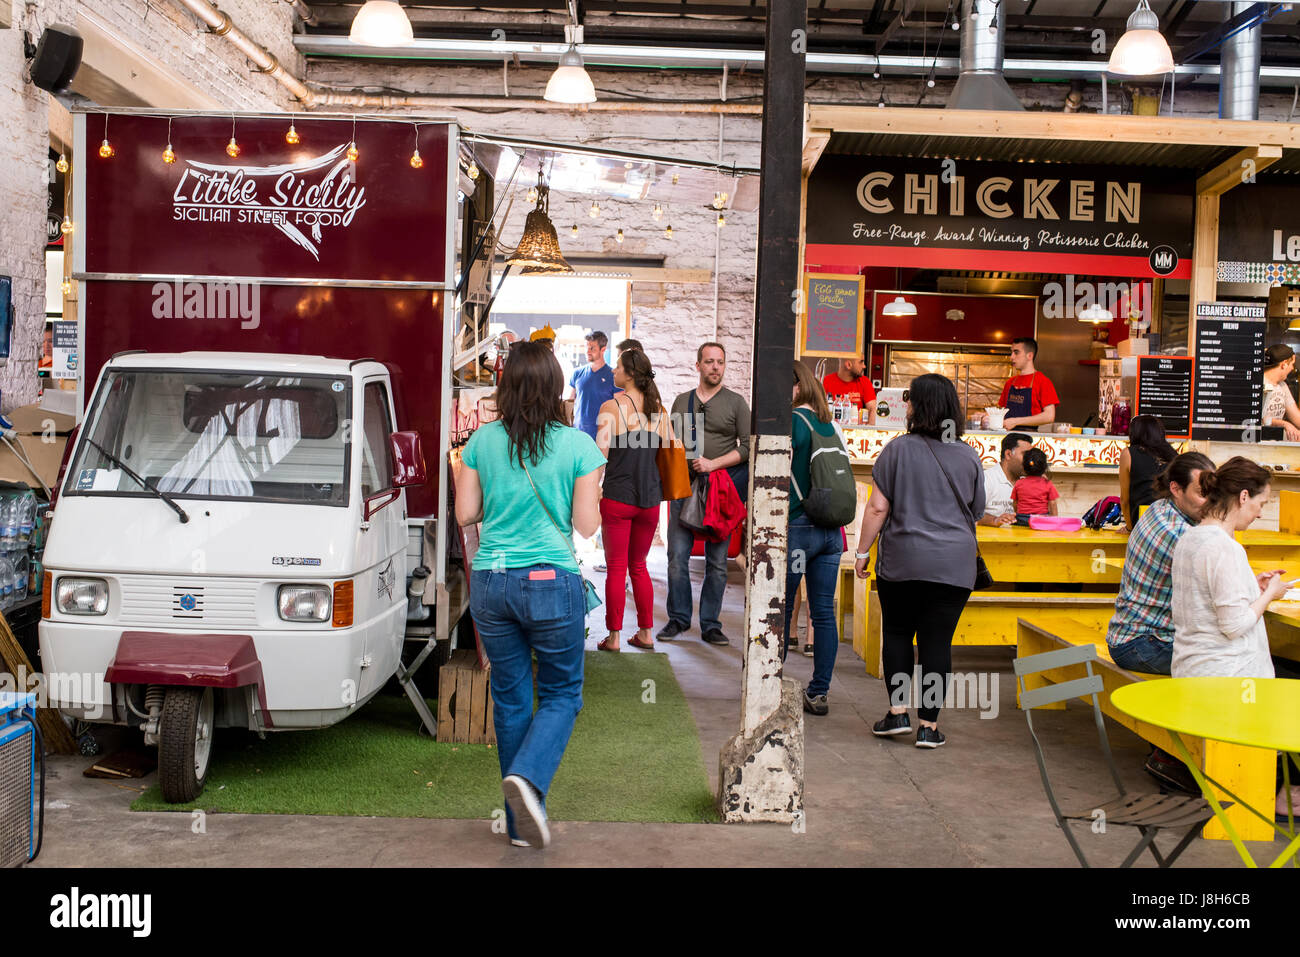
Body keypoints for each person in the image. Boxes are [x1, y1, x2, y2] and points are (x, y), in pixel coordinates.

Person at [454, 340, 605, 850]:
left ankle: (521, 827)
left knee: (511, 698)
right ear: (557, 386)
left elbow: (464, 514)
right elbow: (586, 527)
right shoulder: (579, 446)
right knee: (562, 694)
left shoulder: (481, 442)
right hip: (549, 582)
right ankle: (530, 780)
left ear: (505, 386)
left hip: (492, 583)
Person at [854, 373, 984, 749]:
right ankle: (928, 726)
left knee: (896, 634)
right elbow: (976, 511)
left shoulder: (897, 450)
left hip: (903, 562)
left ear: (918, 406)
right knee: (937, 643)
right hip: (953, 566)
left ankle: (897, 715)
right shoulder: (968, 454)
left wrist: (862, 553)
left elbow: (877, 508)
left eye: (910, 398)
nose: (906, 404)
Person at [1171, 456, 1300, 818]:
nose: (1260, 514)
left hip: (1193, 666)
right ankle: (1279, 792)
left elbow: (1208, 599)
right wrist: (1269, 595)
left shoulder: (1192, 539)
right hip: (1226, 678)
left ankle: (1279, 786)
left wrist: (1252, 585)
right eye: (1261, 504)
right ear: (1243, 497)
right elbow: (1235, 624)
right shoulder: (1225, 548)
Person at [1106, 452, 1213, 793]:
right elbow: (1221, 599)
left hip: (1131, 632)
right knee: (1226, 669)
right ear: (1176, 488)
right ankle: (1175, 757)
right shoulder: (1182, 535)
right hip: (1144, 643)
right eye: (1202, 492)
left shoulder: (1157, 510)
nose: (1210, 501)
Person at [660, 342, 752, 646]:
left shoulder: (736, 403)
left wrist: (714, 464)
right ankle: (679, 619)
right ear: (698, 365)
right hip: (684, 488)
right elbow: (673, 444)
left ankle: (711, 624)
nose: (715, 367)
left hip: (721, 491)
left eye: (720, 362)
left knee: (716, 562)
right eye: (710, 362)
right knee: (677, 557)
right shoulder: (682, 401)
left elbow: (748, 447)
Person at [594, 348, 673, 652]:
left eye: (617, 367)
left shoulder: (611, 407)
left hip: (618, 497)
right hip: (650, 501)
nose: (613, 371)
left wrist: (593, 489)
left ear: (629, 374)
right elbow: (663, 452)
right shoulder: (658, 409)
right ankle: (646, 633)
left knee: (616, 566)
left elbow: (599, 456)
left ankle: (613, 637)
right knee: (638, 566)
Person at [785, 363, 848, 715]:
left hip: (800, 528)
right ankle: (819, 692)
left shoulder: (794, 421)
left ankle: (770, 682)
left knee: (781, 606)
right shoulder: (831, 424)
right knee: (823, 612)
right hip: (831, 534)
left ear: (796, 387)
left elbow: (781, 468)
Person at [1119, 414, 1177, 530]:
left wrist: (1130, 528)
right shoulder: (1174, 455)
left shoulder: (1128, 453)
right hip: (1172, 522)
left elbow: (1125, 500)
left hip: (1143, 522)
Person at [993, 337, 1059, 431]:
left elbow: (1049, 416)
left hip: (1029, 437)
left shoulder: (1043, 382)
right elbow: (1001, 412)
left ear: (1030, 356)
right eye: (1011, 352)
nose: (1011, 357)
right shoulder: (1010, 383)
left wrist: (1016, 421)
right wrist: (987, 416)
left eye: (1016, 352)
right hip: (1007, 436)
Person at [565, 331, 617, 440]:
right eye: (586, 347)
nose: (588, 352)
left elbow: (619, 410)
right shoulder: (577, 373)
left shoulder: (614, 376)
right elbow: (569, 403)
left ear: (603, 349)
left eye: (592, 348)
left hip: (602, 437)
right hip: (578, 435)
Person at [979, 432, 1033, 526]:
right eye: (1025, 455)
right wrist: (994, 520)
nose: (1030, 460)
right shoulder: (987, 479)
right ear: (1008, 454)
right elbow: (970, 514)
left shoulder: (1029, 482)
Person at [822, 355, 877, 425]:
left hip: (856, 433)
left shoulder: (864, 382)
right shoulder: (826, 381)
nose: (864, 366)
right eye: (861, 362)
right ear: (848, 365)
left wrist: (869, 432)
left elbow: (873, 409)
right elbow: (818, 410)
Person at [1261, 343, 1300, 442]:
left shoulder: (1282, 385)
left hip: (1277, 441)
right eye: (1292, 364)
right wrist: (1284, 424)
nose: (1292, 368)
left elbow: (1296, 416)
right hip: (1259, 442)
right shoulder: (1259, 384)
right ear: (1284, 364)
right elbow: (1259, 419)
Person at [1011, 448, 1058, 517]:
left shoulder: (1019, 483)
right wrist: (1054, 517)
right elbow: (1053, 503)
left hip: (1022, 519)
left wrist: (1018, 514)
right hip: (1041, 520)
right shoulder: (1047, 484)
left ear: (1024, 466)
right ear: (1044, 467)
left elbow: (1015, 503)